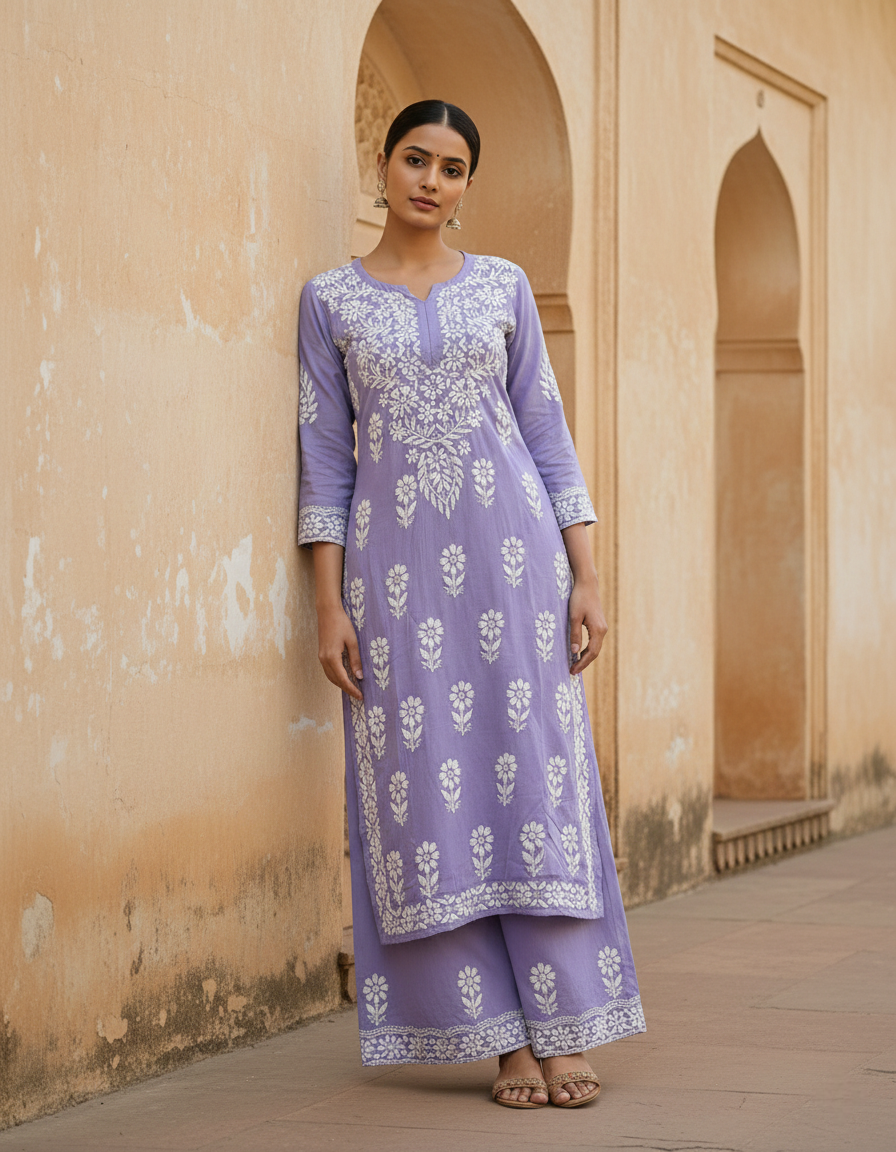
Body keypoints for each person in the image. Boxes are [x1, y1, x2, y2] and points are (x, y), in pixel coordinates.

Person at [297, 99, 645, 1109]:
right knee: (430, 793)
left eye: (451, 168)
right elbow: (323, 458)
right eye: (416, 159)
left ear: (465, 186)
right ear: (383, 163)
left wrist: (586, 576)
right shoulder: (330, 301)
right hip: (395, 585)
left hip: (516, 569)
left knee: (532, 778)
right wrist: (328, 606)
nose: (431, 181)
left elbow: (545, 429)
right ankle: (501, 1043)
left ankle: (565, 1024)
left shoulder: (501, 287)